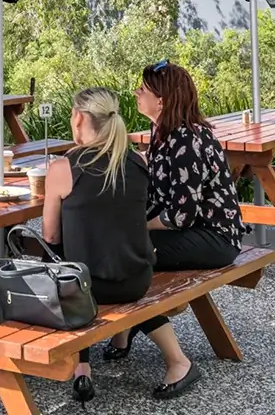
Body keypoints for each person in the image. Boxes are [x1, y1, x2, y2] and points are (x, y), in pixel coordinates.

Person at [103, 61, 248, 399]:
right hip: (194, 230)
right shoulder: (164, 133)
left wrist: (135, 228)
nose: (136, 93)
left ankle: (179, 362)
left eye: (143, 89)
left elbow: (180, 215)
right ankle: (126, 329)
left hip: (214, 237)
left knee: (128, 256)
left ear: (162, 100)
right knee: (119, 247)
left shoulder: (187, 140)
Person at [42, 87, 196, 403]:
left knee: (61, 263)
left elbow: (50, 236)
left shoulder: (62, 168)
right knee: (86, 265)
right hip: (137, 278)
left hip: (88, 289)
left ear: (78, 118)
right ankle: (173, 359)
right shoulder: (137, 161)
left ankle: (82, 367)